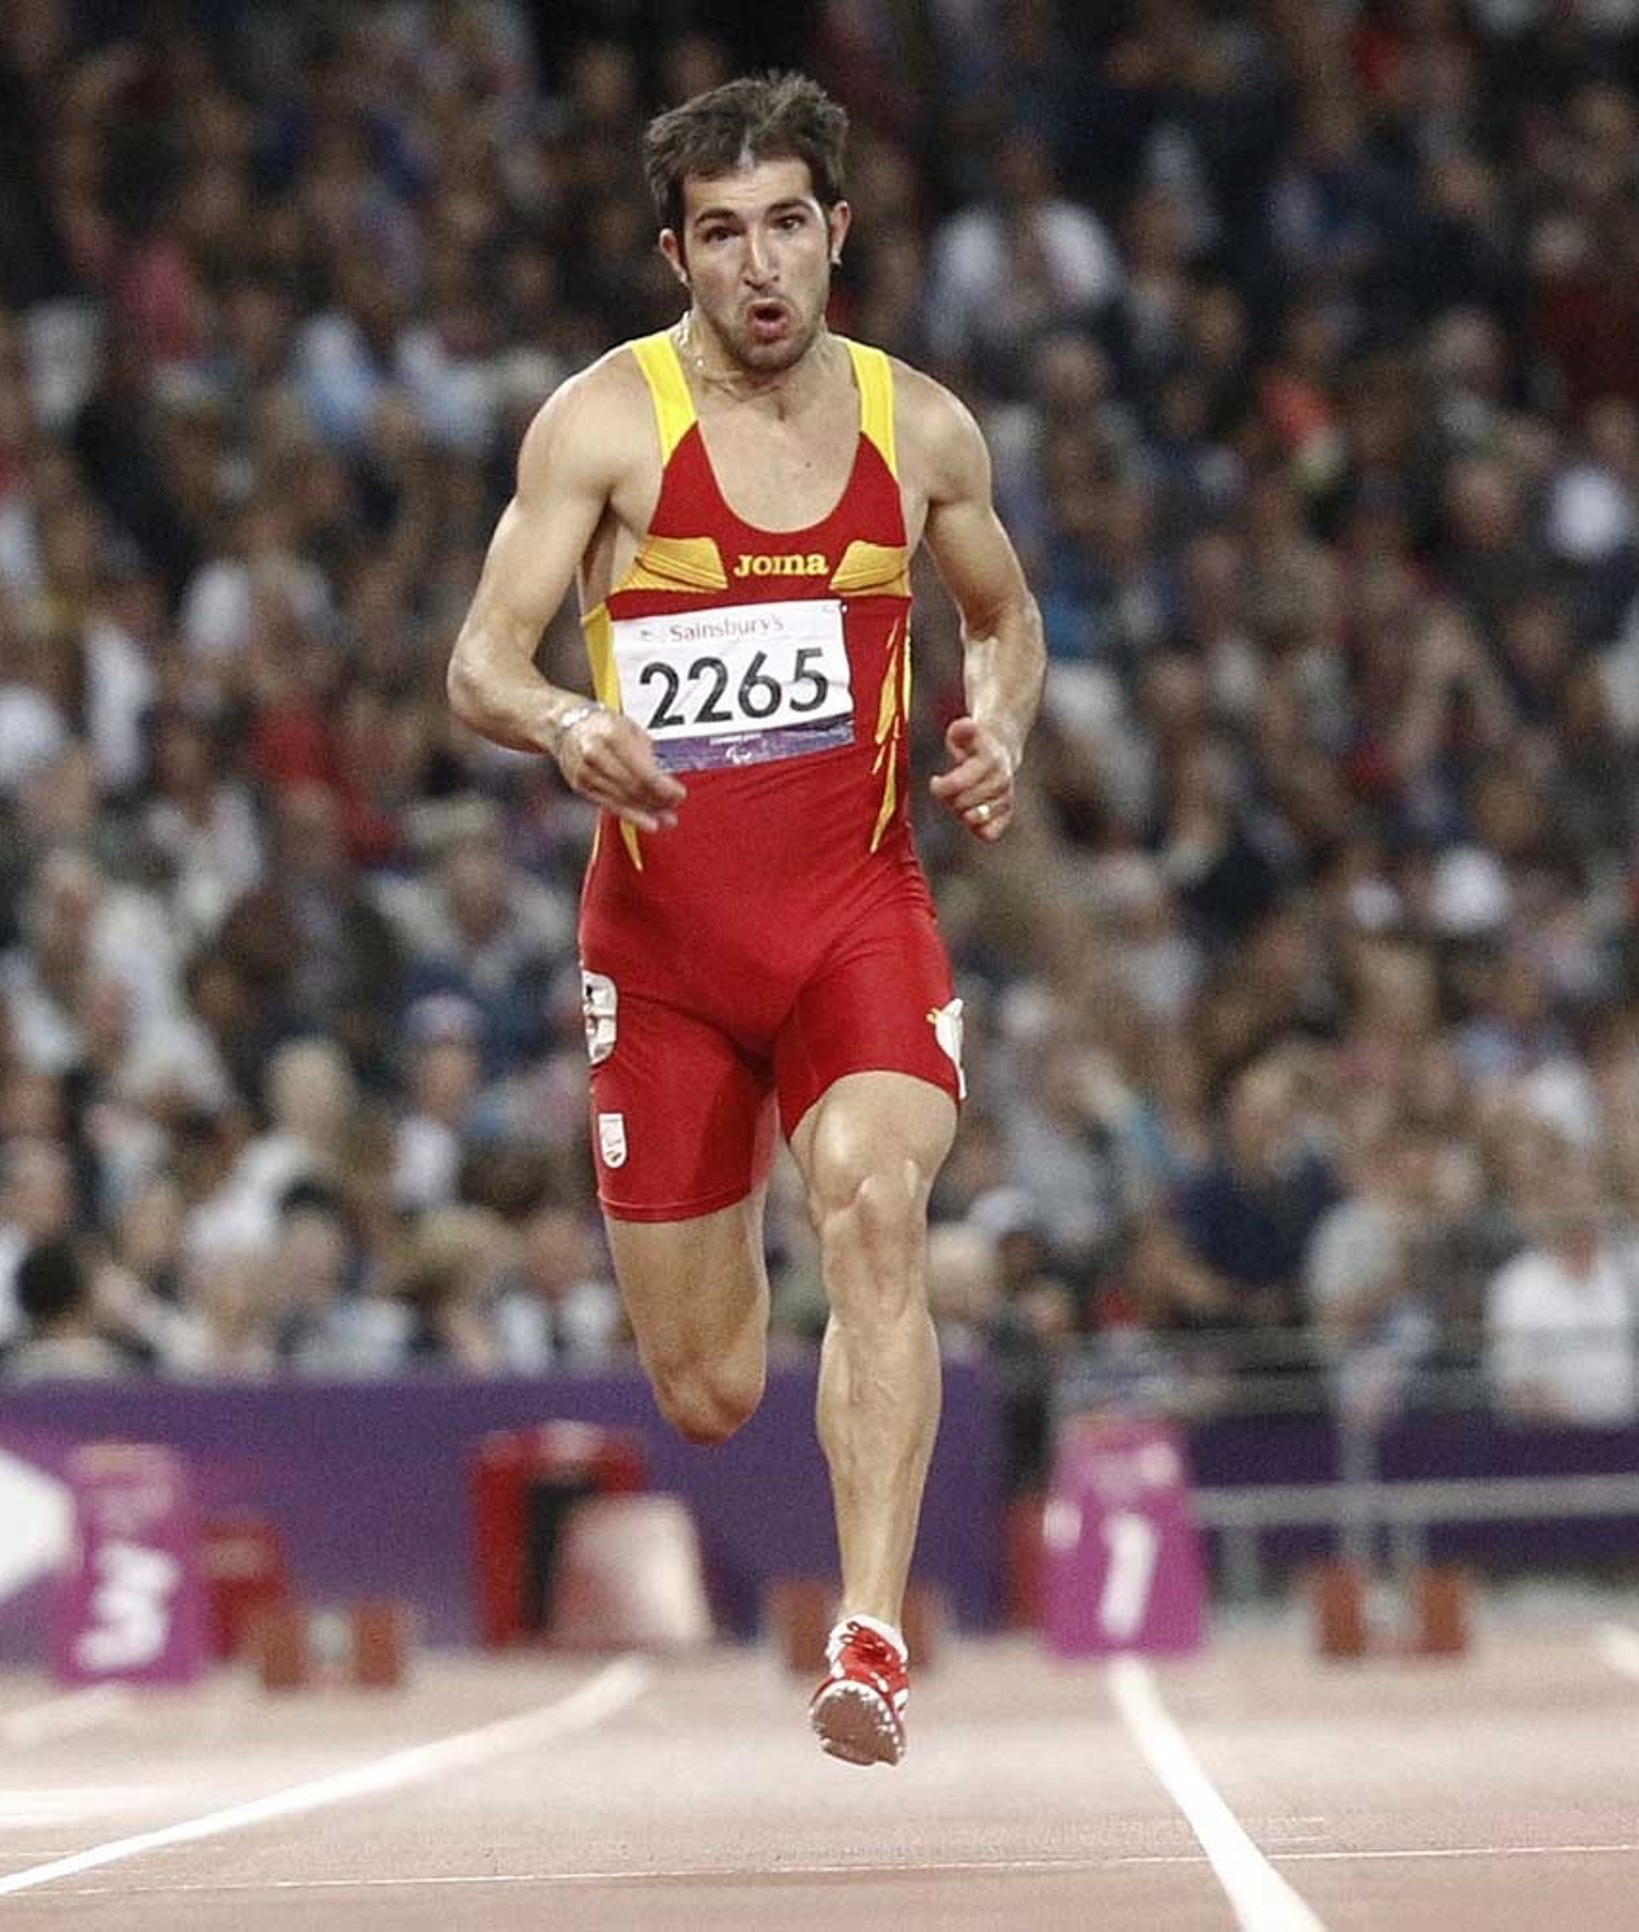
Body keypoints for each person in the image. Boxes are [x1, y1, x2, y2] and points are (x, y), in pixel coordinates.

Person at [448, 73, 1045, 1766]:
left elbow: (1007, 619)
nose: (760, 265)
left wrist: (1002, 724)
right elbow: (478, 660)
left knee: (877, 1209)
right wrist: (567, 721)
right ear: (678, 256)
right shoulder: (604, 426)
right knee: (707, 1390)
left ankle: (870, 1634)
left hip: (860, 917)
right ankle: (785, 1364)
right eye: (722, 234)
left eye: (788, 224)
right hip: (666, 959)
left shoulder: (923, 430)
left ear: (837, 233)